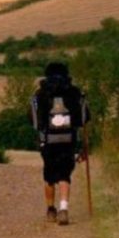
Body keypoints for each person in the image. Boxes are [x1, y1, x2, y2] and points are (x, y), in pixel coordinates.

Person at [30, 62, 90, 226]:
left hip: (48, 140)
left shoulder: (40, 93)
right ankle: (64, 210)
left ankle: (51, 210)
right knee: (64, 174)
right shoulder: (74, 92)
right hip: (68, 140)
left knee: (49, 175)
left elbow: (34, 121)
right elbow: (83, 119)